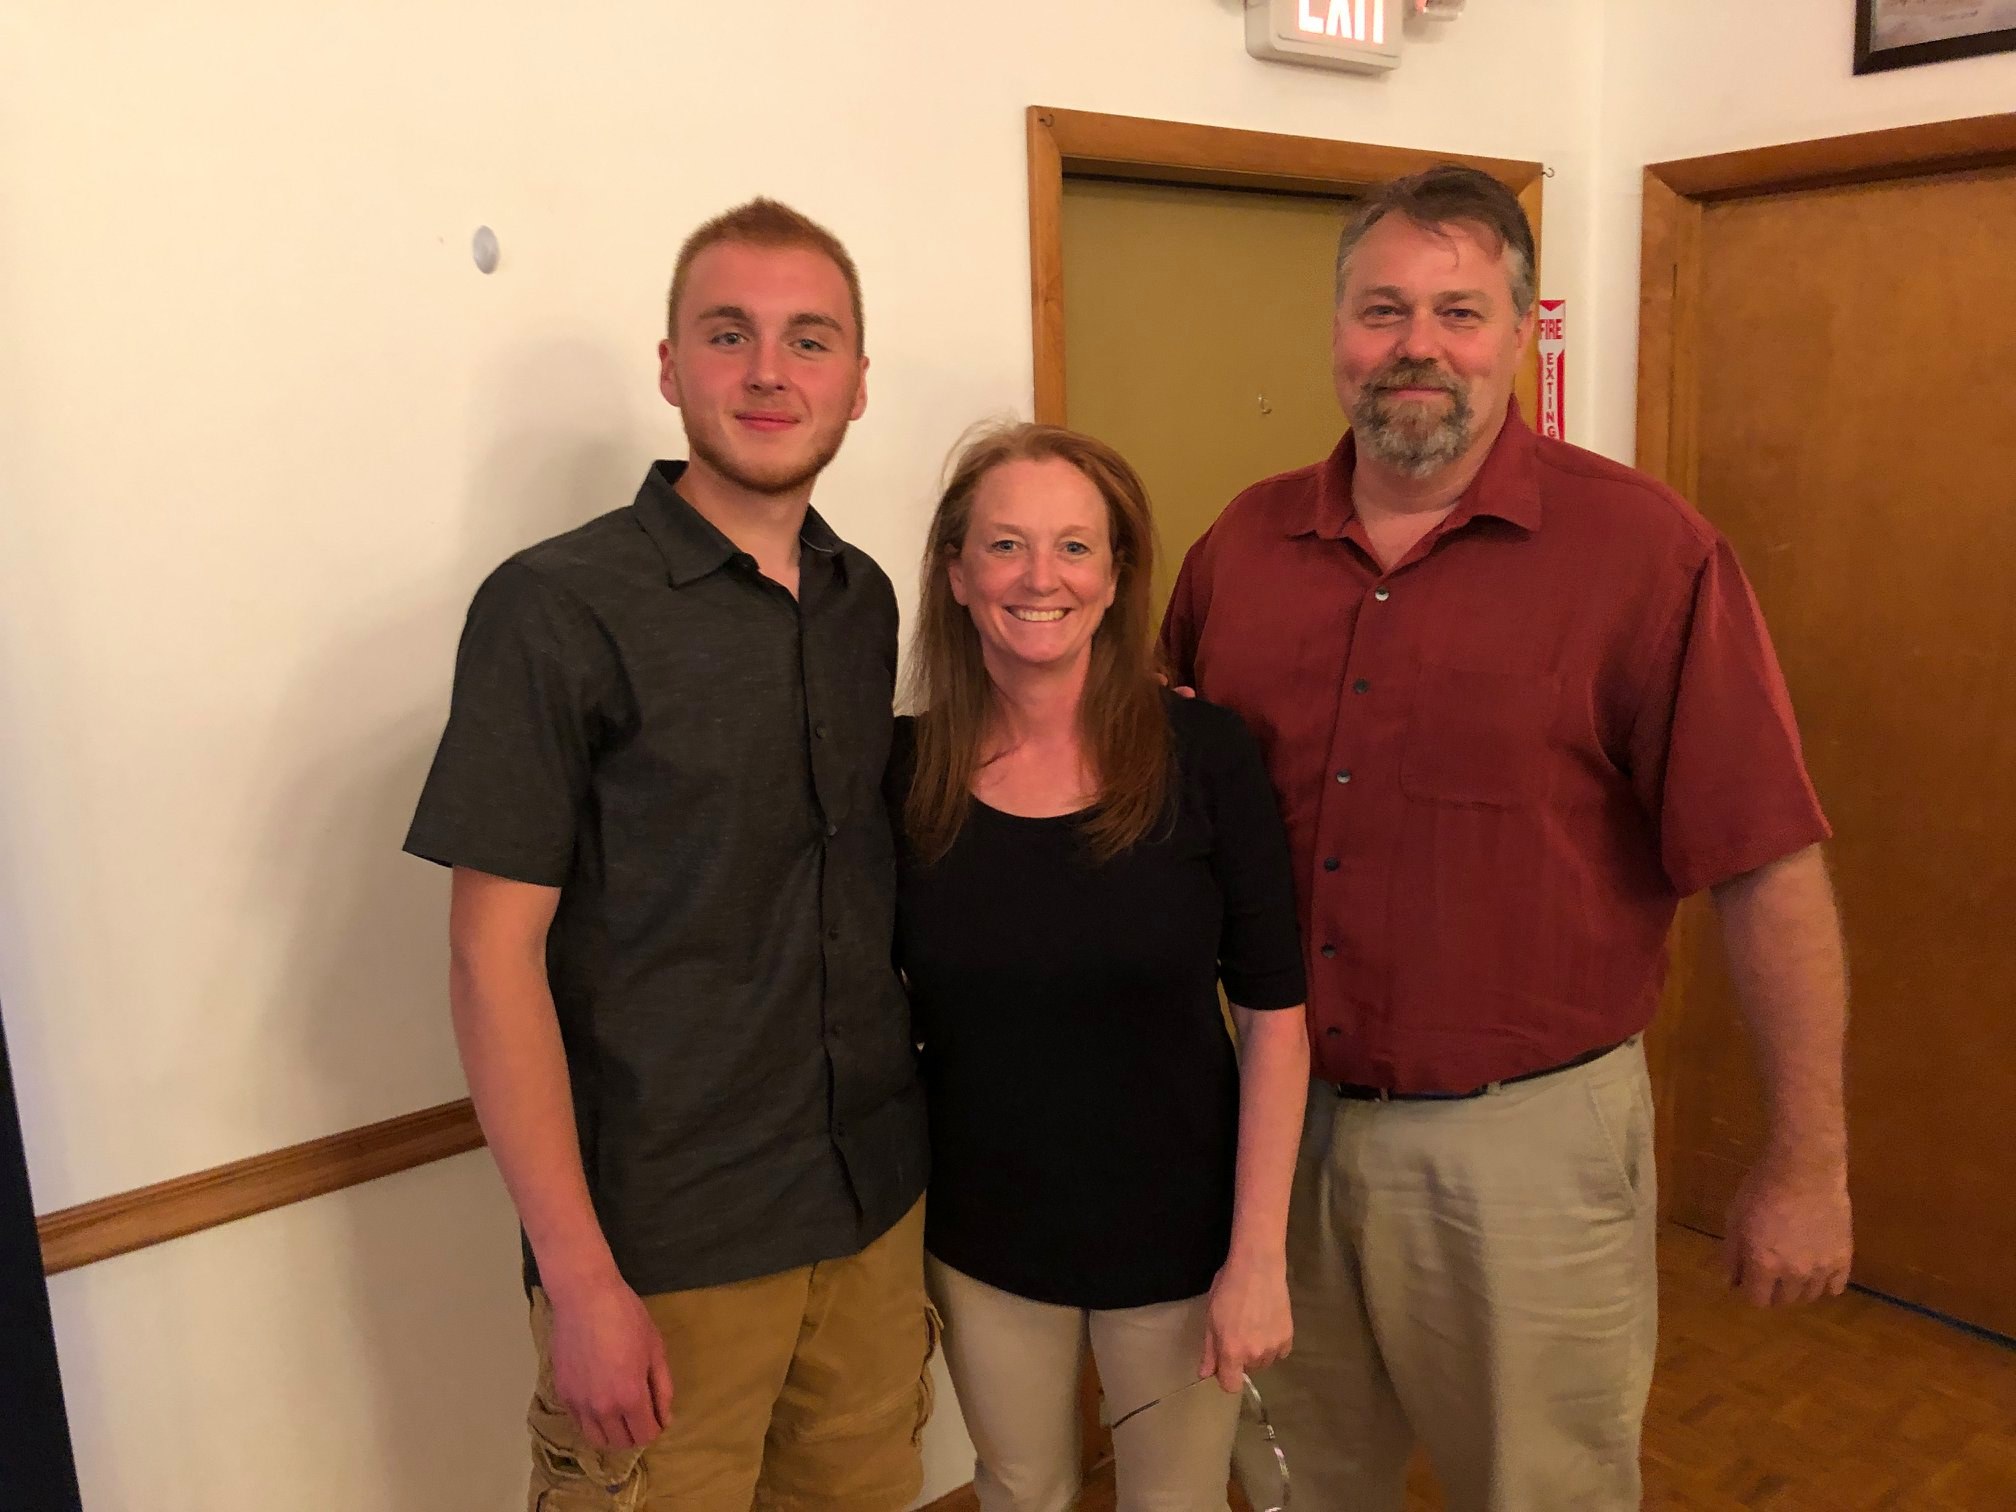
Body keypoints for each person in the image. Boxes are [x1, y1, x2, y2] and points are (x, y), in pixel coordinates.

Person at [1159, 164, 1853, 1511]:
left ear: (1520, 334)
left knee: (1541, 1492)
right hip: (1268, 1144)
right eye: (1383, 309)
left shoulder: (1648, 557)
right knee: (1296, 1480)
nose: (1418, 346)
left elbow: (1767, 864)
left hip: (1526, 1159)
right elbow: (1161, 828)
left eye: (1460, 312)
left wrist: (1806, 1161)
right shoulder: (1235, 553)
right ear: (1336, 331)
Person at [403, 198, 934, 1512]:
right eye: (728, 334)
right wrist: (579, 1278)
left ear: (859, 383)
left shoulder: (864, 597)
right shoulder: (555, 609)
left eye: (811, 341)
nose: (769, 372)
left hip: (868, 1220)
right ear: (670, 366)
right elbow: (491, 958)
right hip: (666, 1252)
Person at [889, 422, 1311, 1512]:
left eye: (1076, 548)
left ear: (1117, 577)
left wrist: (1256, 1256)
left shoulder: (1207, 757)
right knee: (1021, 1490)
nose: (1042, 578)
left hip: (1181, 1233)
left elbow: (1274, 1016)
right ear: (956, 571)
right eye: (1006, 546)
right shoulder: (901, 774)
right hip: (985, 1231)